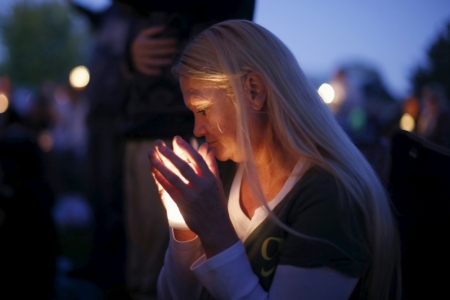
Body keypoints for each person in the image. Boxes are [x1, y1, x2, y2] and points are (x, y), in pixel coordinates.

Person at [149, 20, 401, 299]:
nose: (197, 129)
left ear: (253, 90)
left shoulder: (330, 198)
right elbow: (171, 295)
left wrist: (216, 231)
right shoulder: (225, 171)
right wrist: (184, 225)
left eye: (203, 110)